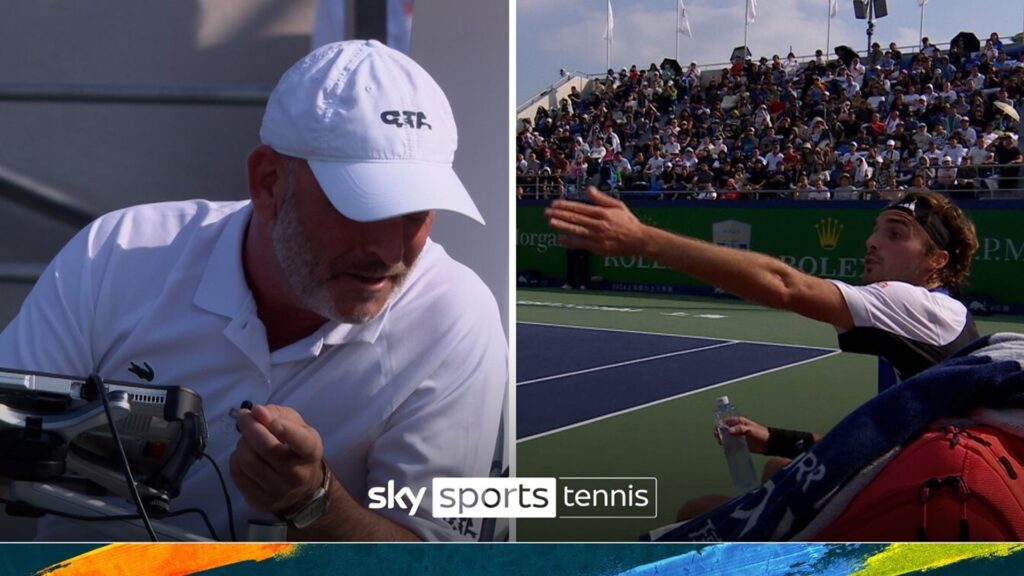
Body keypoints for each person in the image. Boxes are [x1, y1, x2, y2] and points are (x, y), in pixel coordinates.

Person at [0, 40, 506, 541]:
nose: (388, 247)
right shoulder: (115, 254)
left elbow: (437, 557)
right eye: (362, 207)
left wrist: (315, 503)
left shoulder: (456, 314)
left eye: (417, 212)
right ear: (268, 182)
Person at [547, 187, 979, 492]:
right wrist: (773, 438)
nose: (871, 241)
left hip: (930, 490)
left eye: (895, 233)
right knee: (776, 467)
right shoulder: (933, 319)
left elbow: (785, 286)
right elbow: (882, 437)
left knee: (695, 513)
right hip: (927, 470)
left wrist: (645, 240)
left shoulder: (918, 306)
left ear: (936, 261)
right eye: (877, 228)